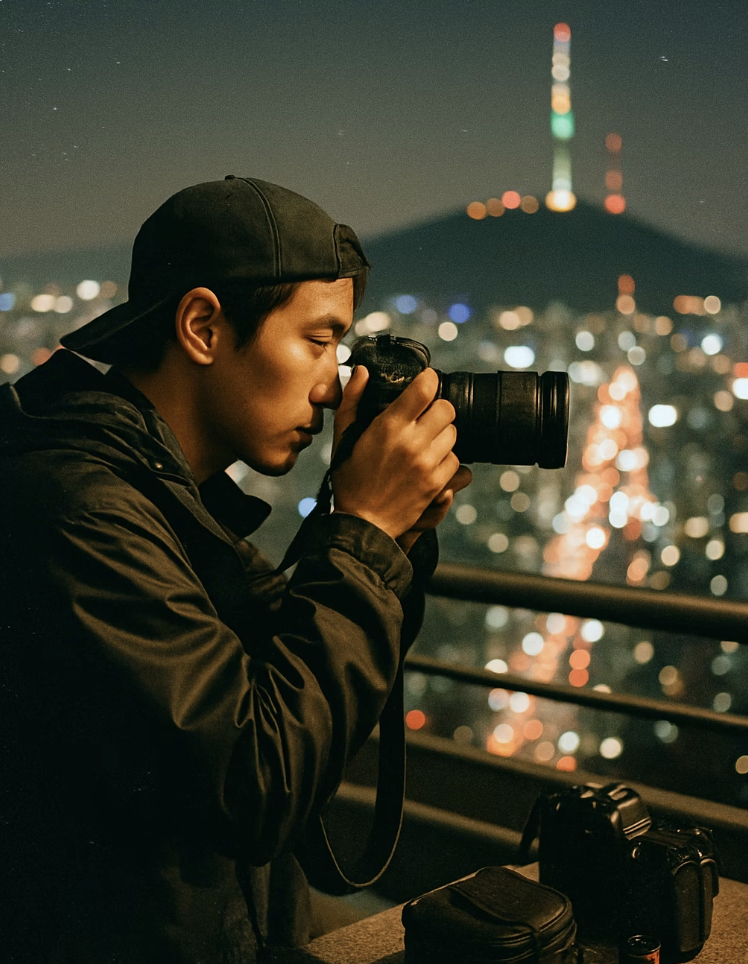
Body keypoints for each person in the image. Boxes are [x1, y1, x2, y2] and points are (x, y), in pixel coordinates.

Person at [0, 175, 471, 963]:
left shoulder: (165, 496)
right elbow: (257, 780)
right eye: (317, 342)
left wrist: (394, 540)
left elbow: (285, 681)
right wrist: (362, 532)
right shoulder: (82, 512)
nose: (332, 387)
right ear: (203, 326)